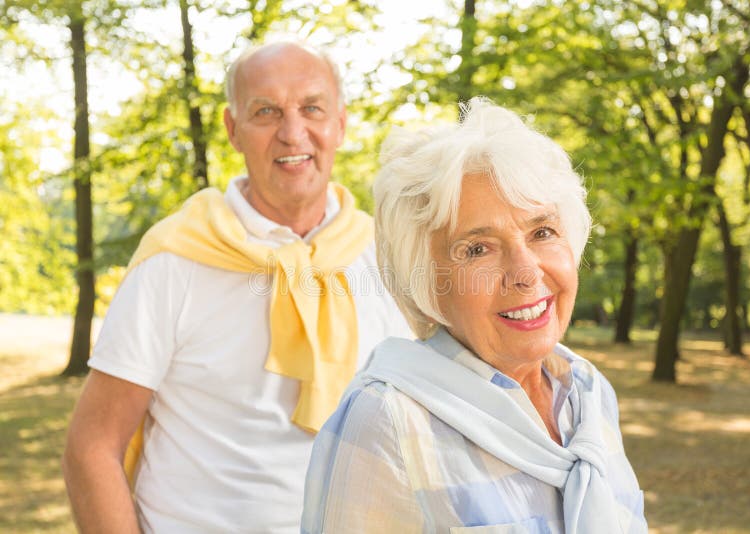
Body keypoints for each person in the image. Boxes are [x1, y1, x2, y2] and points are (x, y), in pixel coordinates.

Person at [62, 39, 410, 533]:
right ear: (232, 129)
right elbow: (92, 446)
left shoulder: (390, 255)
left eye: (312, 108)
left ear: (340, 123)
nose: (293, 133)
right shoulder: (175, 258)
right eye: (266, 112)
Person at [302, 98, 648, 533]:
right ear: (427, 282)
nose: (525, 273)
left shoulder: (589, 392)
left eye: (542, 232)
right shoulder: (385, 421)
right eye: (478, 249)